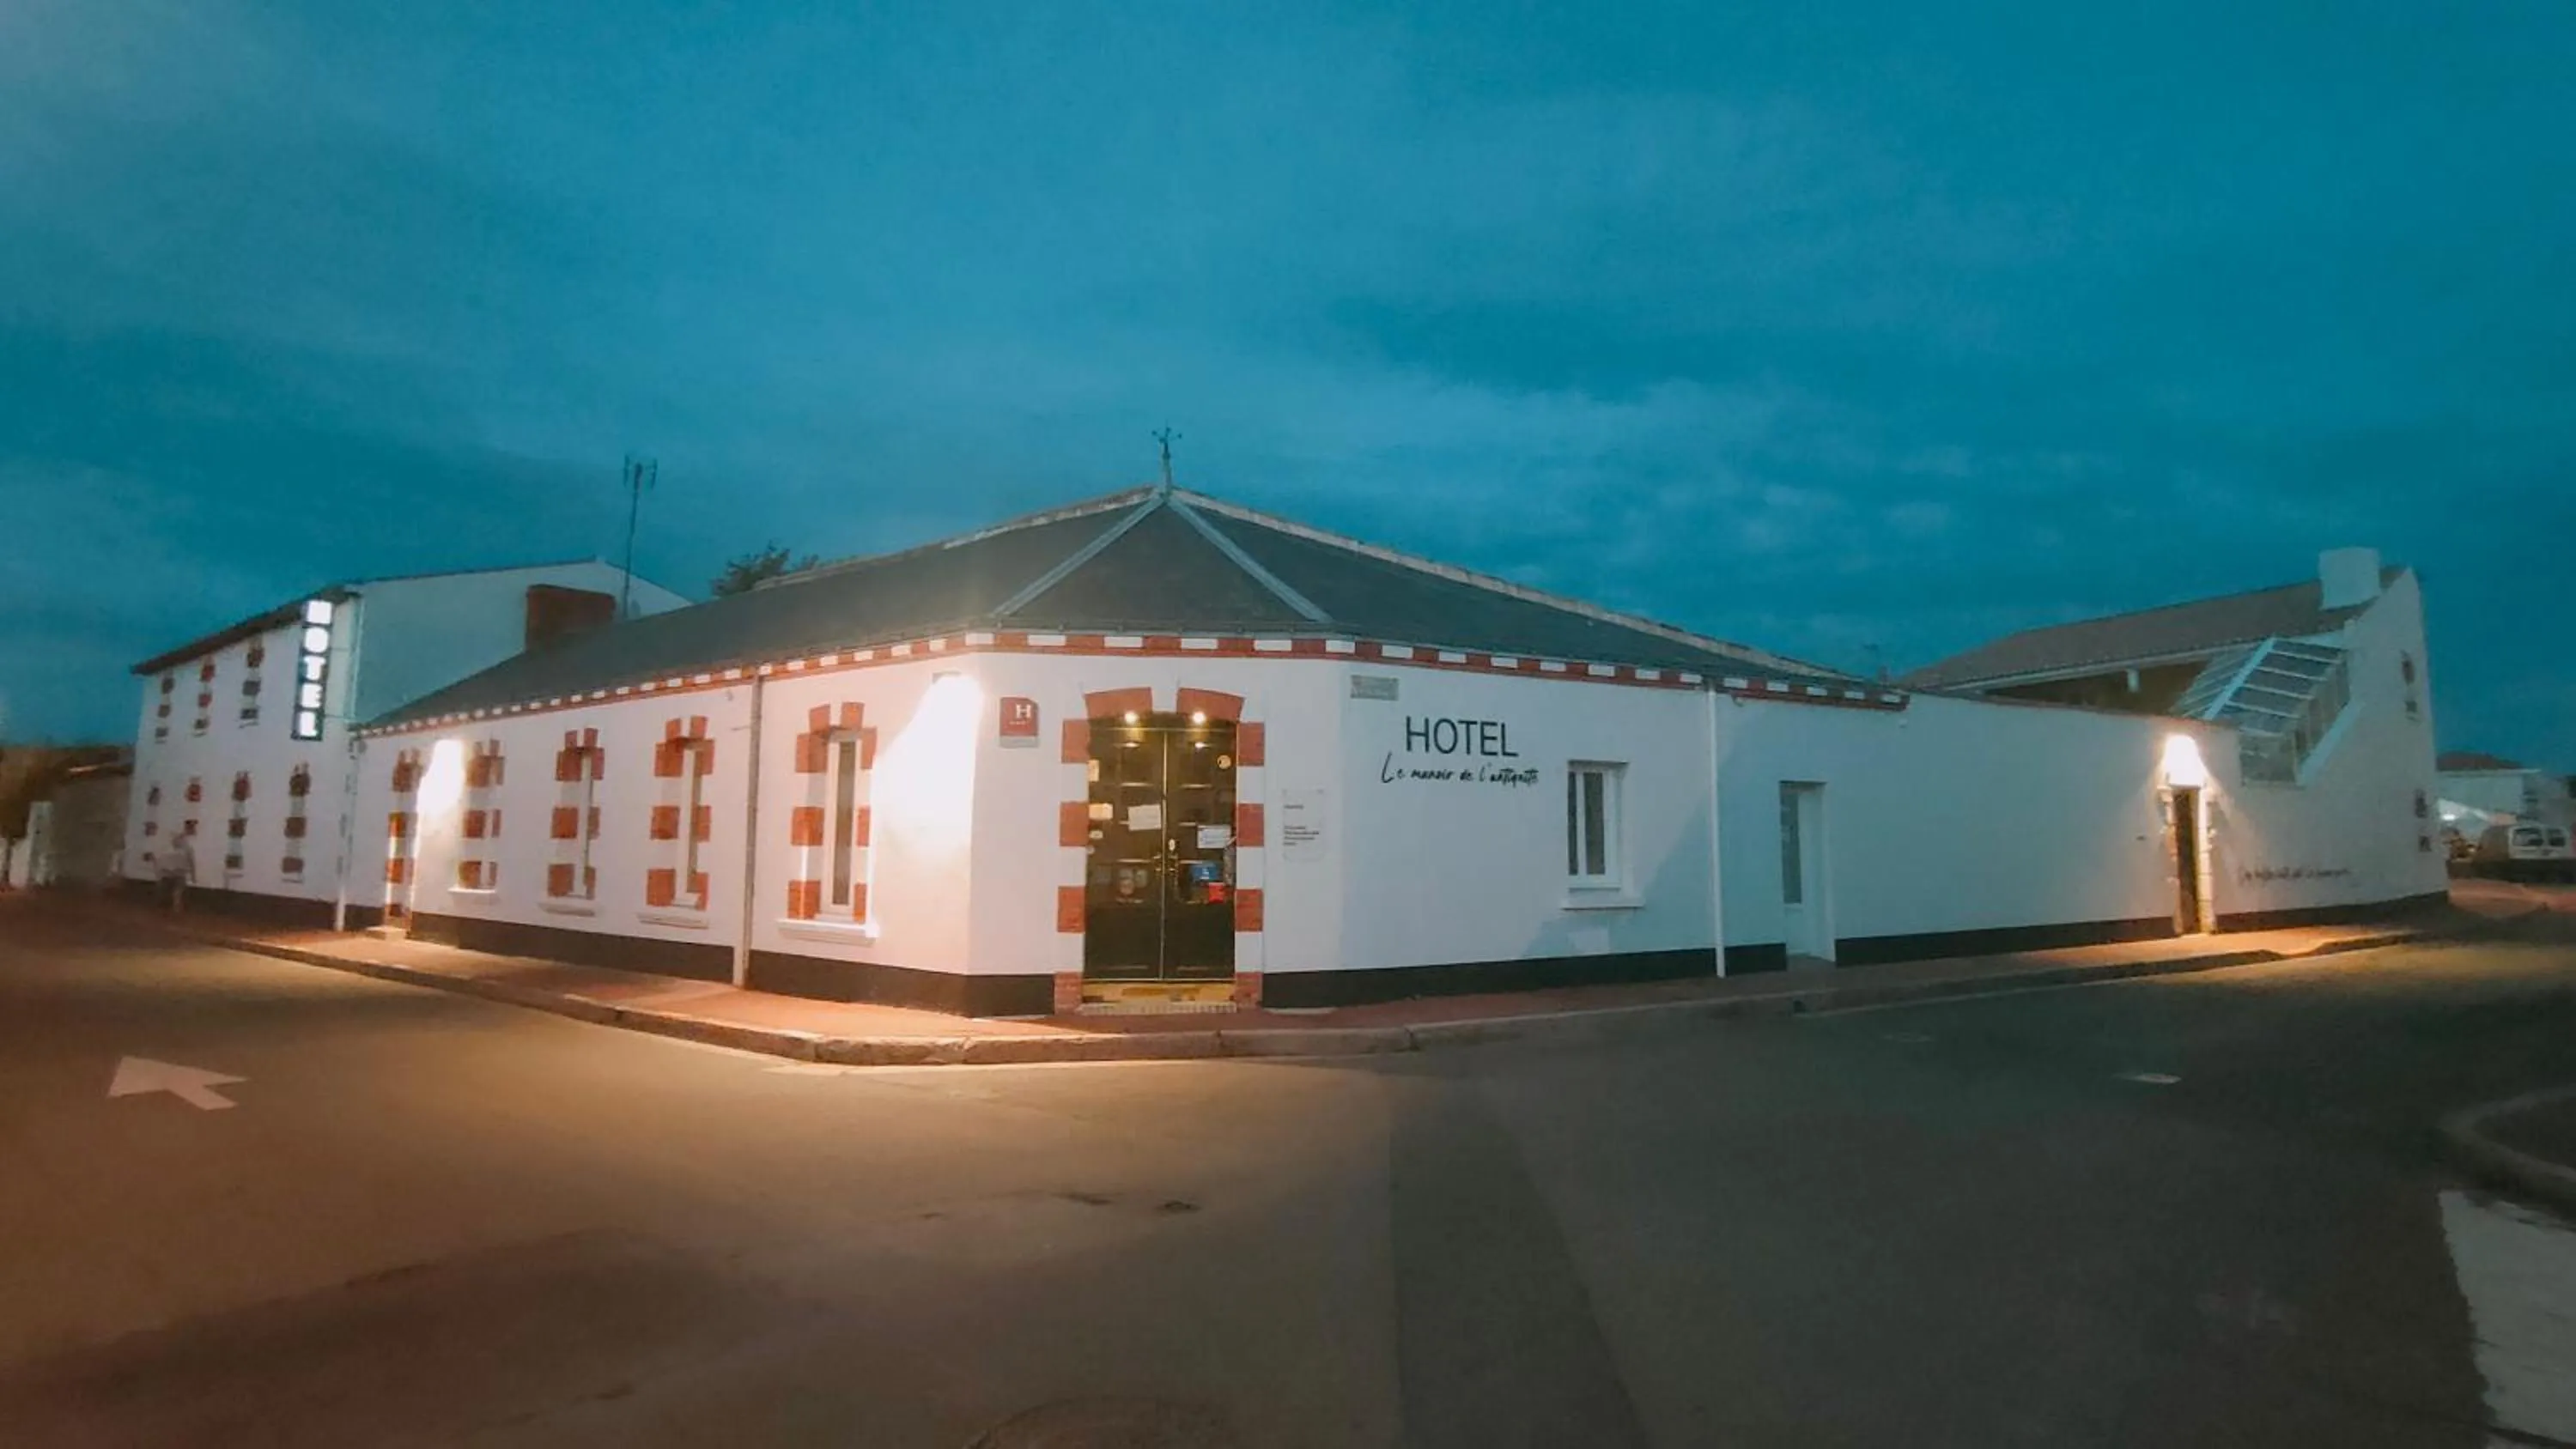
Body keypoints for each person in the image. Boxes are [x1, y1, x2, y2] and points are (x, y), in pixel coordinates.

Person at [157, 824, 197, 912]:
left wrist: (193, 876)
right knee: (170, 894)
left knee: (177, 893)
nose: (176, 841)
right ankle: (172, 908)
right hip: (169, 874)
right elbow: (161, 862)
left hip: (178, 874)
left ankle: (176, 907)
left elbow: (192, 862)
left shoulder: (187, 849)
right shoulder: (168, 849)